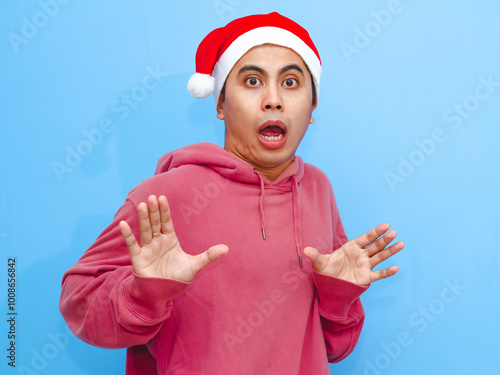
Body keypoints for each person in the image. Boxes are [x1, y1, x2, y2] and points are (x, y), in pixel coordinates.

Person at [59, 12, 404, 375]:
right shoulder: (166, 194)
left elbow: (336, 348)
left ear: (312, 107)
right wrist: (143, 294)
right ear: (221, 104)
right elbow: (78, 302)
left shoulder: (318, 189)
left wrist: (338, 297)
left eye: (291, 82)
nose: (273, 100)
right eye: (252, 81)